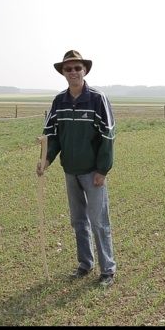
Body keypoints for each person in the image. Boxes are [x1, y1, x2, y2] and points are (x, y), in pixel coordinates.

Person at [37, 50, 117, 287]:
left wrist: (103, 170)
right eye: (68, 69)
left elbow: (108, 136)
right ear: (63, 72)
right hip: (70, 171)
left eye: (77, 68)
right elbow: (52, 136)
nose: (73, 72)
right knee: (78, 220)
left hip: (93, 172)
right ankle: (85, 264)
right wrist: (46, 160)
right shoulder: (59, 101)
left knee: (99, 221)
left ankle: (108, 271)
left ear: (85, 70)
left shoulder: (97, 99)